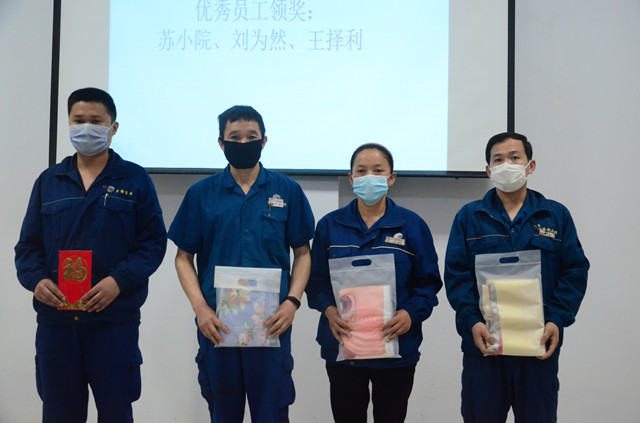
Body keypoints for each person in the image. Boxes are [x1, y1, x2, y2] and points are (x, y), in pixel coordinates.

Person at [14, 87, 167, 423]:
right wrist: (36, 281)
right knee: (59, 413)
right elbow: (27, 247)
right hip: (57, 323)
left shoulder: (134, 179)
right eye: (78, 120)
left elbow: (153, 242)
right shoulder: (49, 181)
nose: (86, 128)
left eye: (96, 121)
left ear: (113, 127)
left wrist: (118, 281)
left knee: (115, 412)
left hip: (114, 321)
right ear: (68, 124)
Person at [168, 105, 315, 423]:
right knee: (223, 413)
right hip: (217, 325)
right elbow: (183, 257)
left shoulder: (287, 191)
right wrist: (200, 309)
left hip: (272, 323)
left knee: (271, 413)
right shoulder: (201, 194)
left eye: (251, 137)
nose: (243, 143)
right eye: (235, 137)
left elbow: (303, 253)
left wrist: (292, 302)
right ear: (221, 143)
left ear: (264, 141)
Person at [444, 132, 589, 423]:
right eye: (498, 160)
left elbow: (574, 271)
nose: (506, 165)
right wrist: (472, 322)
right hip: (484, 347)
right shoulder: (469, 216)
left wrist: (557, 319)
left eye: (514, 158)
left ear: (530, 166)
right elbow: (456, 275)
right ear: (488, 170)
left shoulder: (555, 215)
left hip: (538, 345)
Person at [305, 143, 442, 423]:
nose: (370, 176)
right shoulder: (329, 226)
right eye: (362, 171)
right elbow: (315, 282)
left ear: (391, 178)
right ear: (351, 178)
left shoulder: (412, 225)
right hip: (344, 347)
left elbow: (428, 284)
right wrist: (329, 311)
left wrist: (410, 314)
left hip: (396, 348)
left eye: (378, 171)